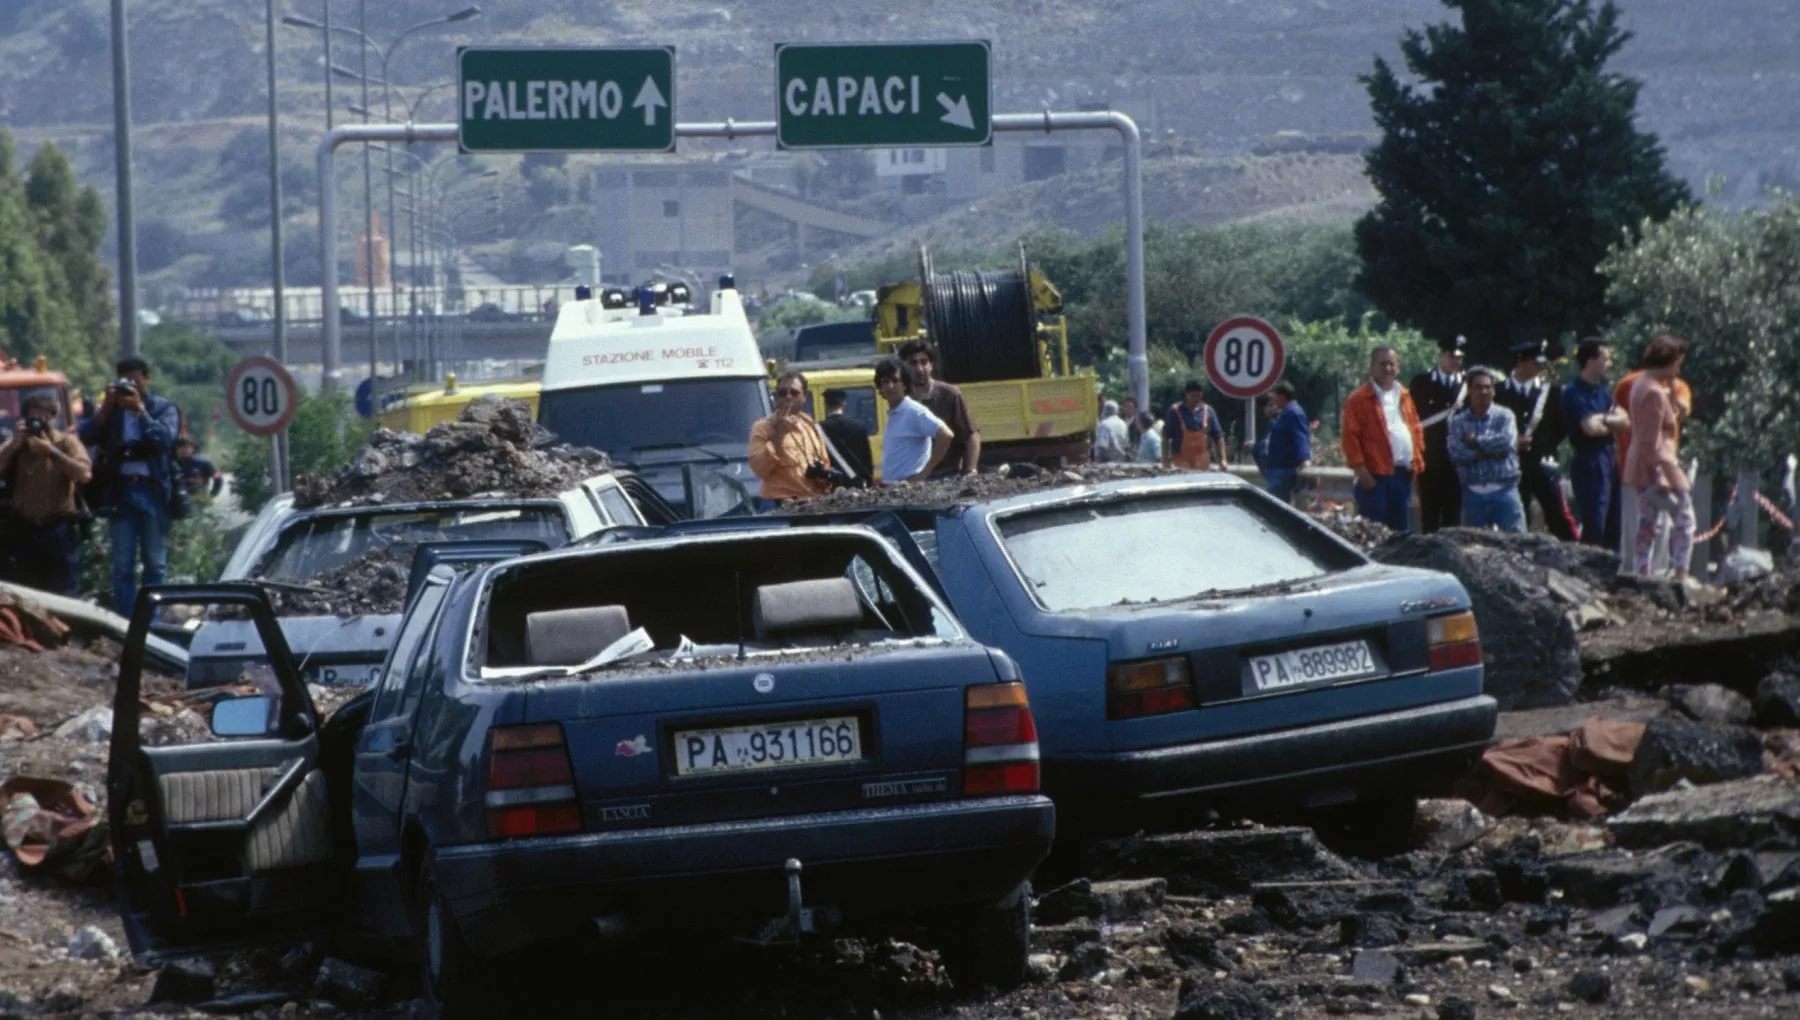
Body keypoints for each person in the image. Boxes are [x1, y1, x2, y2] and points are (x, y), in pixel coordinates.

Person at [80, 355, 181, 612]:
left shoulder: (162, 408)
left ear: (147, 380)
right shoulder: (112, 412)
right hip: (121, 491)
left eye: (137, 381)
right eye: (127, 382)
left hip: (152, 490)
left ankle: (152, 621)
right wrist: (105, 408)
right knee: (122, 564)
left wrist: (140, 411)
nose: (132, 388)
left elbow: (164, 441)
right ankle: (126, 621)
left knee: (155, 563)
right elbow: (86, 435)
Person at [0, 393, 92, 594]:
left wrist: (52, 452)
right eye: (34, 418)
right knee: (28, 591)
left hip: (58, 527)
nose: (39, 423)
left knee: (64, 590)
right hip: (25, 527)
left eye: (45, 418)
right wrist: (14, 444)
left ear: (53, 418)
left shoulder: (66, 443)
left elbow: (84, 474)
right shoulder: (17, 445)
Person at [1622, 335, 1696, 580]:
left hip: (1641, 466)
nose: (1678, 369)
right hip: (1659, 465)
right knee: (1685, 520)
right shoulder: (1653, 393)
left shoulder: (1640, 384)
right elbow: (1651, 439)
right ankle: (1680, 573)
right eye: (1677, 363)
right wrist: (1661, 476)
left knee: (1647, 523)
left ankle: (1642, 571)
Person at [1494, 339, 1578, 541]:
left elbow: (1561, 426)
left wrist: (1543, 446)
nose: (1540, 366)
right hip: (1511, 463)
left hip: (1542, 461)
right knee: (1515, 518)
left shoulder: (1552, 391)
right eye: (1535, 362)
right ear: (1521, 362)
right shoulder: (1499, 391)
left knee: (1557, 515)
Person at [1341, 345, 1425, 532]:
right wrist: (1363, 475)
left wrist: (1417, 460)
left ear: (1398, 367)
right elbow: (1350, 438)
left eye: (1391, 364)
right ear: (1372, 367)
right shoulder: (1359, 399)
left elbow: (1415, 428)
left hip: (1401, 475)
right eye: (1382, 364)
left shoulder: (1404, 395)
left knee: (1399, 533)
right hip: (1375, 476)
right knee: (1373, 533)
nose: (1387, 369)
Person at [1562, 338, 1630, 549]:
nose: (1609, 364)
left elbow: (1626, 421)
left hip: (1609, 459)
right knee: (1595, 525)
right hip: (1589, 461)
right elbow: (1590, 429)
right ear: (1591, 361)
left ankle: (1610, 575)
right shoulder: (1573, 393)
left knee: (1614, 524)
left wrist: (1604, 419)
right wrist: (1610, 420)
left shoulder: (1602, 392)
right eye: (1605, 359)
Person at [1446, 367, 1525, 532]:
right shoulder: (1458, 422)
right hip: (1473, 493)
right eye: (1478, 387)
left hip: (1505, 490)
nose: (1484, 391)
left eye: (1488, 387)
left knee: (1518, 542)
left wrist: (1474, 442)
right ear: (1469, 390)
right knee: (1473, 547)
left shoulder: (1505, 416)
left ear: (1494, 391)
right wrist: (1487, 452)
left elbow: (1506, 443)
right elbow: (1456, 454)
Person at [747, 371, 833, 507]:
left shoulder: (811, 426)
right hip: (780, 504)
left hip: (814, 502)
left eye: (794, 393)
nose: (788, 397)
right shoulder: (763, 427)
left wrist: (825, 477)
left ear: (804, 396)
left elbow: (825, 462)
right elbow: (759, 469)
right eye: (782, 393)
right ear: (776, 398)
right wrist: (779, 436)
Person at [1410, 335, 1468, 532]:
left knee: (1453, 517)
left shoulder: (1466, 385)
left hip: (1456, 461)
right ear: (1441, 355)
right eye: (1452, 356)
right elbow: (1412, 417)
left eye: (1459, 357)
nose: (1456, 361)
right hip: (1429, 458)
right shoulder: (1421, 382)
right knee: (1429, 515)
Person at [898, 339, 980, 476]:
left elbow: (971, 434)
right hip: (910, 475)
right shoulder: (900, 399)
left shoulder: (949, 395)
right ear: (904, 366)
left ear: (931, 365)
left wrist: (970, 470)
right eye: (913, 363)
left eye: (924, 362)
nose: (919, 369)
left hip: (945, 473)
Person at [875, 358, 952, 485]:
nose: (890, 386)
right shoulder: (894, 413)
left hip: (909, 490)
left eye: (895, 380)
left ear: (904, 384)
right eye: (885, 382)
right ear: (880, 387)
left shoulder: (913, 411)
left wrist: (924, 473)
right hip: (892, 489)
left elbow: (946, 435)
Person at [1261, 380, 1312, 503]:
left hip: (1283, 471)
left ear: (1282, 396)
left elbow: (1300, 437)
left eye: (1275, 396)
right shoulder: (1285, 413)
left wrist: (1305, 460)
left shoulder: (1294, 413)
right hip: (1277, 469)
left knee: (1274, 508)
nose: (1273, 400)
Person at [1162, 379, 1225, 471]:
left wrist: (1223, 460)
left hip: (1202, 461)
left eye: (1198, 396)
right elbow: (1165, 437)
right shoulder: (1175, 411)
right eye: (1193, 396)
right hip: (1180, 461)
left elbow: (1218, 437)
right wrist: (1165, 461)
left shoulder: (1208, 411)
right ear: (1186, 394)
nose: (1196, 399)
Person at [818, 388, 874, 488]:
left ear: (826, 404)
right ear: (844, 403)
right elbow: (867, 459)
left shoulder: (819, 429)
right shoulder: (859, 426)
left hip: (832, 486)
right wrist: (868, 482)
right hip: (857, 484)